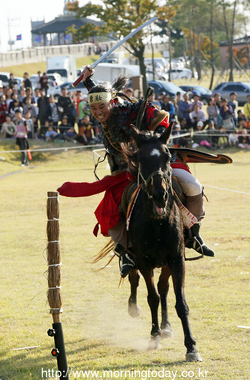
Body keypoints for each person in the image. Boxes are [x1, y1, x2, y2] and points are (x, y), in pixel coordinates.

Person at [58, 66, 215, 278]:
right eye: (93, 108)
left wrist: (156, 141)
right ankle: (125, 252)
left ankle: (193, 233)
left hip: (153, 162)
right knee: (108, 210)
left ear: (112, 103)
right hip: (126, 173)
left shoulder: (129, 110)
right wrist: (88, 80)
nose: (97, 112)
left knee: (193, 185)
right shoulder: (103, 106)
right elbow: (98, 91)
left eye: (101, 107)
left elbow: (160, 116)